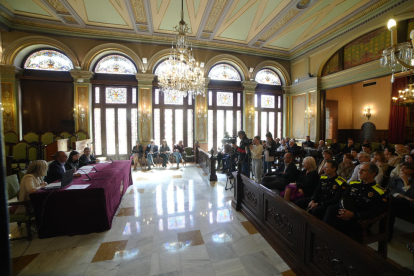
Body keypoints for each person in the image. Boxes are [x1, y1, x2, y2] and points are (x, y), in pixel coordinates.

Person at [323, 163, 387, 241]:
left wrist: (354, 215)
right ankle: (324, 237)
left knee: (342, 224)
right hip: (345, 212)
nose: (359, 172)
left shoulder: (379, 192)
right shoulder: (353, 184)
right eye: (359, 169)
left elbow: (374, 212)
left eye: (363, 170)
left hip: (360, 219)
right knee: (331, 209)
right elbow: (343, 198)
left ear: (373, 174)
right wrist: (343, 210)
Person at [388, 162, 414, 239]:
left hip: (410, 204)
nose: (402, 170)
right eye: (401, 168)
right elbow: (389, 188)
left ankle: (387, 234)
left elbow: (412, 196)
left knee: (391, 204)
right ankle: (386, 232)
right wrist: (403, 196)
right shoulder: (396, 177)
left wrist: (406, 182)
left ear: (412, 171)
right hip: (399, 200)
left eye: (405, 168)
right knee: (389, 203)